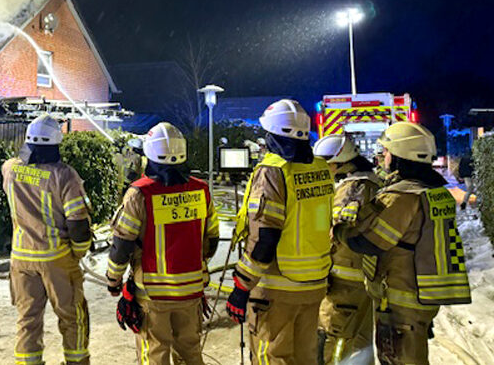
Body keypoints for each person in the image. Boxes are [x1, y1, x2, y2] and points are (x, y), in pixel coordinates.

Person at [333, 122, 471, 365]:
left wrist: (342, 228)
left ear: (400, 156)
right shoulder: (435, 192)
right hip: (422, 295)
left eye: (386, 152)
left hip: (399, 300)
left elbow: (369, 242)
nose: (382, 157)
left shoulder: (401, 197)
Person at [225, 99, 334, 365]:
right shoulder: (320, 168)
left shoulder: (273, 171)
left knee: (273, 358)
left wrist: (241, 287)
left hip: (277, 289)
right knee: (305, 357)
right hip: (315, 284)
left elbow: (265, 238)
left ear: (273, 134)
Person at [105, 122, 220, 365]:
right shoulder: (201, 190)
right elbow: (212, 239)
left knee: (154, 357)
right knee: (190, 354)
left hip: (152, 296)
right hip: (191, 292)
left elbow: (122, 245)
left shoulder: (140, 193)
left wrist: (114, 281)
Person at [2, 114, 93, 365]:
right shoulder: (65, 175)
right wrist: (80, 251)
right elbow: (78, 224)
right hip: (56, 258)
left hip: (20, 258)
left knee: (27, 319)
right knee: (72, 316)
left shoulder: (9, 169)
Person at [313, 134, 383, 365]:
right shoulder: (370, 183)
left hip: (344, 280)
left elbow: (337, 230)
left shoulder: (352, 188)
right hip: (362, 278)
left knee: (335, 336)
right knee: (360, 339)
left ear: (339, 162)